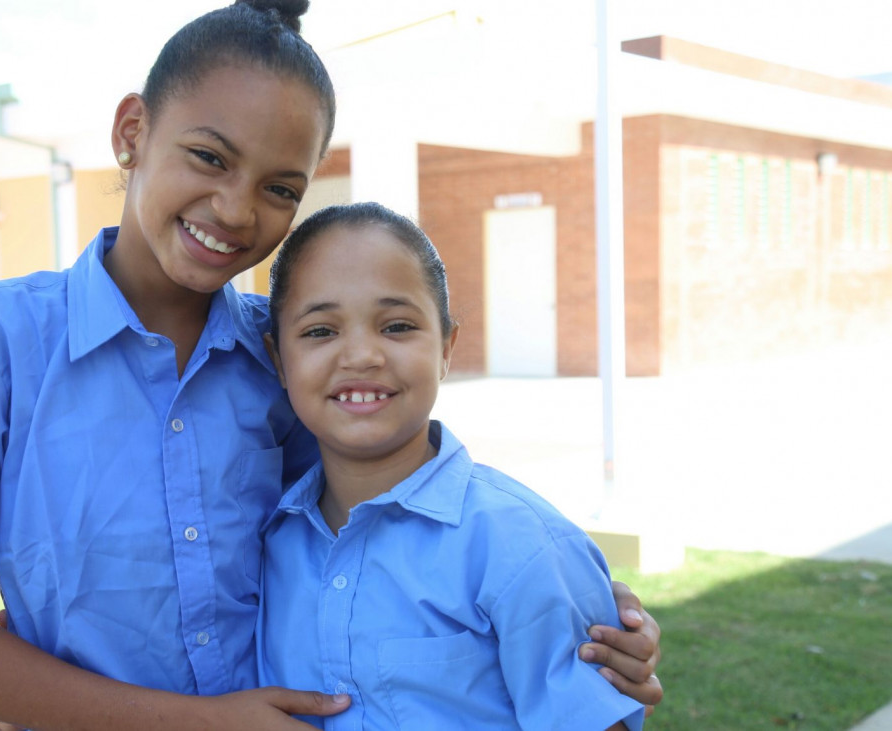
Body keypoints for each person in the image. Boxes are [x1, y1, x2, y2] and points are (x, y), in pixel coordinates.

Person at [0, 2, 661, 729]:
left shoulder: (284, 355)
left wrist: (573, 613)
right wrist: (198, 723)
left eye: (280, 187)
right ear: (132, 130)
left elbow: (385, 531)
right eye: (209, 157)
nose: (238, 210)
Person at [257, 202, 648, 729]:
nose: (361, 355)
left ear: (446, 347)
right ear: (278, 360)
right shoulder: (267, 541)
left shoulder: (521, 545)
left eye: (396, 326)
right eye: (320, 331)